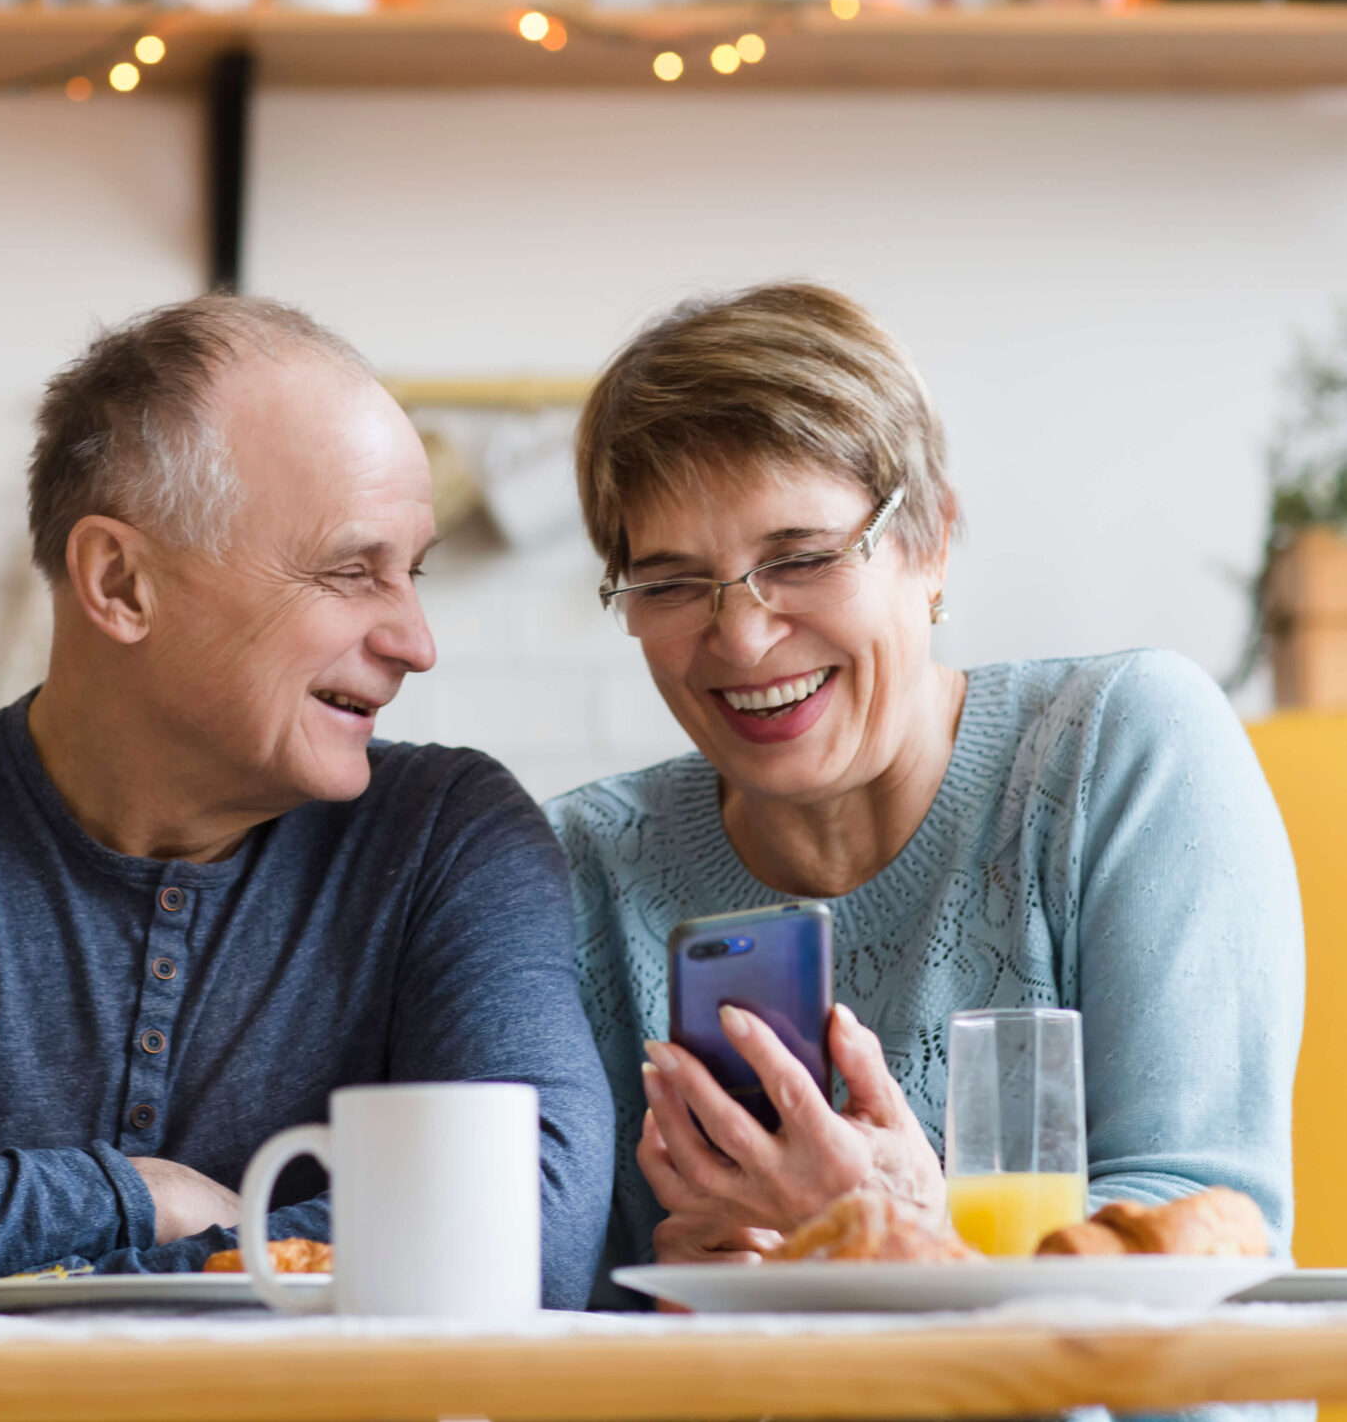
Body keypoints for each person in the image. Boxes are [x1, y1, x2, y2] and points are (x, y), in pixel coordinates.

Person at [0, 297, 610, 1309]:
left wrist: (6, 1266)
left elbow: (523, 1236)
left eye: (412, 574)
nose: (415, 641)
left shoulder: (446, 838)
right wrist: (145, 1198)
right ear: (121, 582)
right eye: (351, 572)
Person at [549, 283, 1304, 1310]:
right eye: (673, 582)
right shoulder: (586, 863)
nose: (741, 637)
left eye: (802, 559)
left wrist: (899, 1243)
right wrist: (679, 1328)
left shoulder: (1123, 750)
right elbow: (535, 1316)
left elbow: (1213, 1235)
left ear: (932, 540)